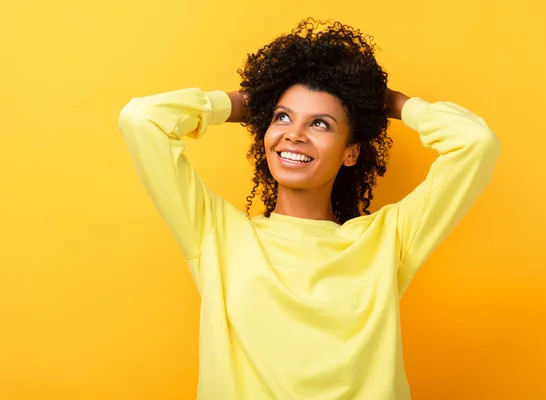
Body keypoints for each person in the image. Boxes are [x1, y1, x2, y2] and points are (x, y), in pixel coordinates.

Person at [118, 19, 500, 400]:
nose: (294, 133)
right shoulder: (216, 233)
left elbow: (476, 143)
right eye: (282, 116)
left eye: (320, 123)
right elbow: (142, 120)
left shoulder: (388, 240)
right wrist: (248, 100)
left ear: (351, 152)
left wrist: (390, 103)